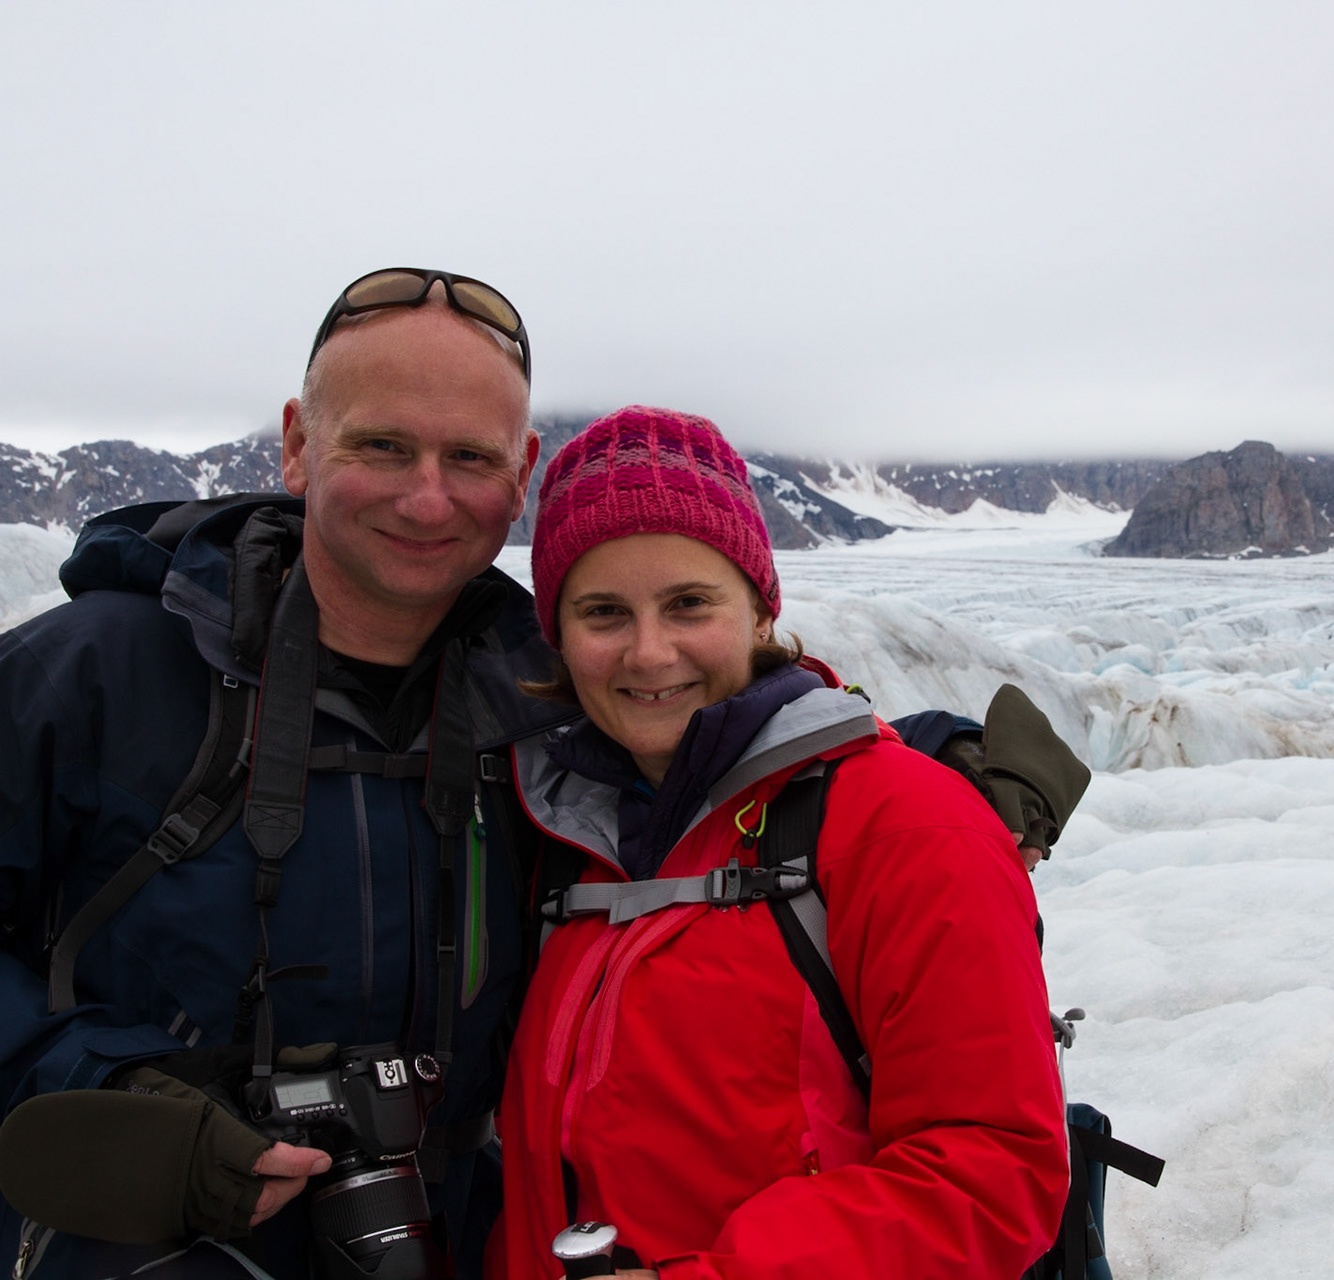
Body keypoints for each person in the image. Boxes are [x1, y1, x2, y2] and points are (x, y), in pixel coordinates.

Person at [0, 268, 569, 1278]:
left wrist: (938, 751)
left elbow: (730, 788)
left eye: (469, 456)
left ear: (521, 473)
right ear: (300, 445)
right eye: (383, 444)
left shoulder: (546, 710)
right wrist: (113, 1092)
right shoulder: (94, 674)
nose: (428, 495)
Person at [487, 408, 1070, 1279]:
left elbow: (991, 1172)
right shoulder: (554, 829)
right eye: (603, 612)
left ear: (762, 611)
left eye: (689, 604)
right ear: (558, 634)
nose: (649, 653)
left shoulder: (904, 823)